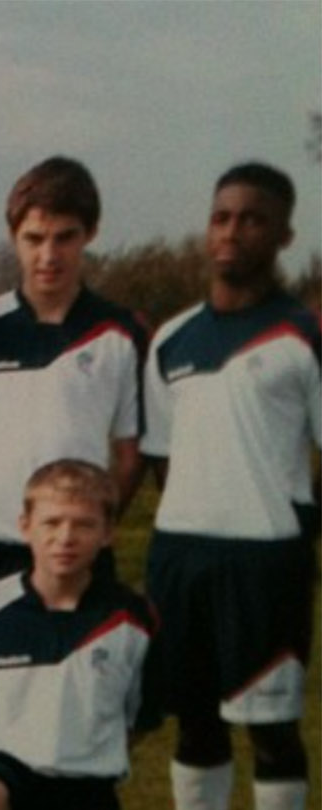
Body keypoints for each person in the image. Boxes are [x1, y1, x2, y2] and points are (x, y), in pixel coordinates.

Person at [142, 162, 319, 810]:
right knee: (195, 722)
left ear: (283, 235)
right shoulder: (170, 340)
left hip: (265, 559)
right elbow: (161, 454)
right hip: (181, 556)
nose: (232, 232)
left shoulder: (304, 335)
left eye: (252, 219)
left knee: (271, 731)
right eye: (222, 217)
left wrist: (294, 524)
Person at [0, 155, 148, 623]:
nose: (48, 256)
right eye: (34, 239)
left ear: (89, 233)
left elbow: (130, 454)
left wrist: (94, 523)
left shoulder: (121, 332)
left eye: (64, 237)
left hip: (81, 558)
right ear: (14, 236)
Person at [0, 460, 161, 810]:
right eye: (52, 522)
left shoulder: (132, 618)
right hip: (7, 774)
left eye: (83, 525)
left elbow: (138, 720)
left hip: (87, 785)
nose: (65, 537)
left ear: (108, 533)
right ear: (25, 526)